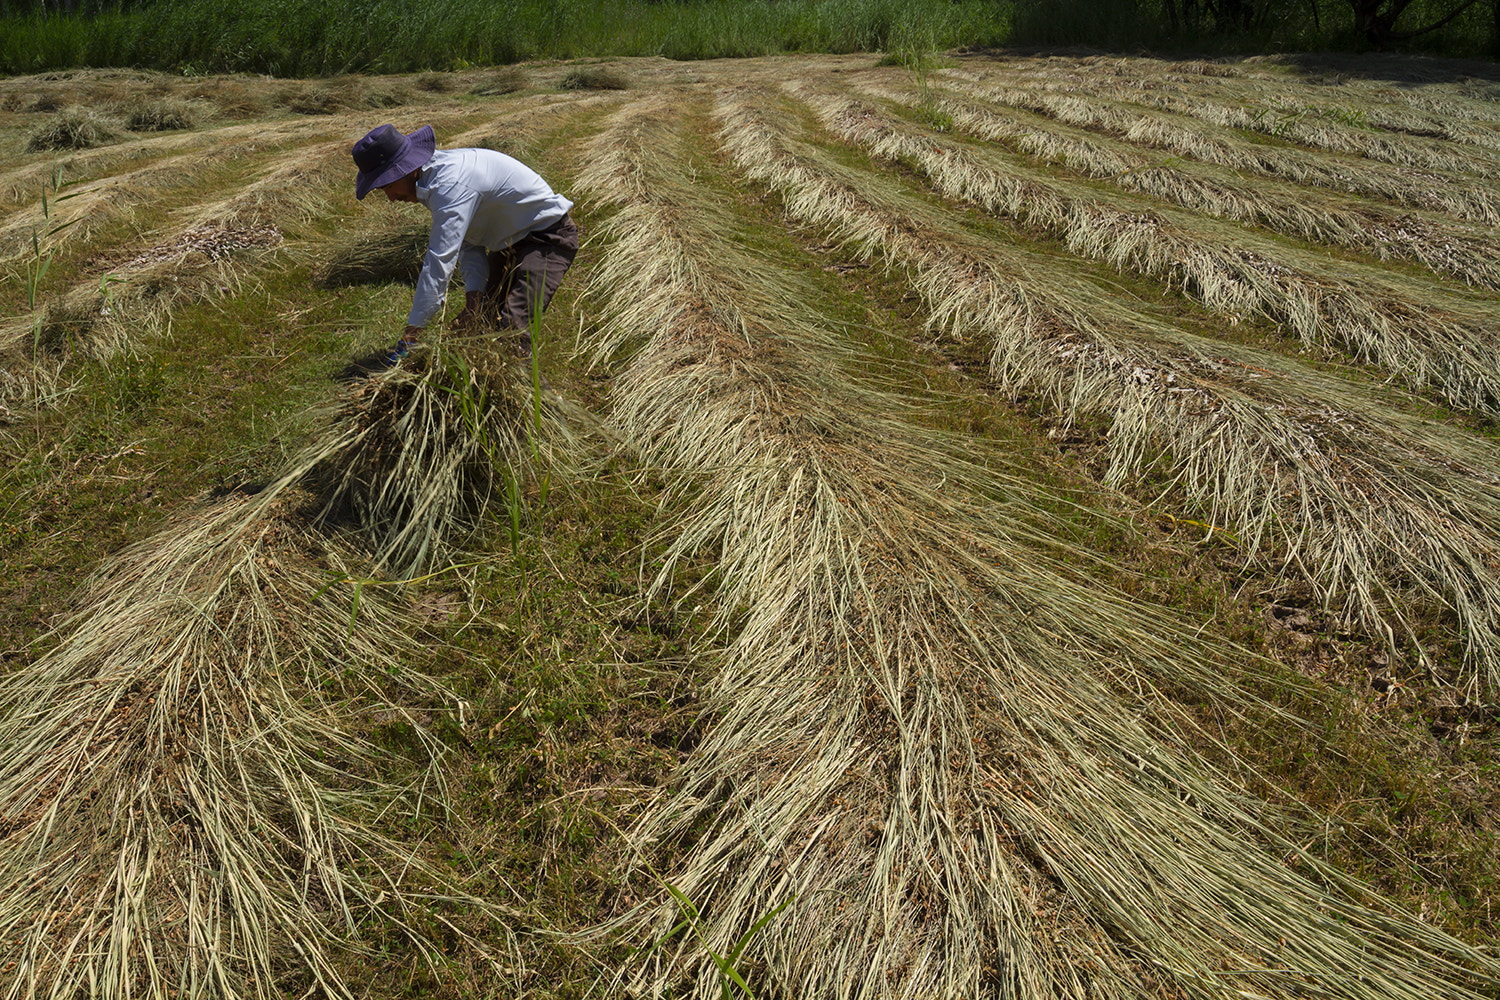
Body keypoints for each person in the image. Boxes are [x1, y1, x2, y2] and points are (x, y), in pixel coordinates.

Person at [350, 123, 578, 365]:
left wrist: (411, 336)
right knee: (480, 324)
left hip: (547, 238)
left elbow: (438, 265)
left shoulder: (451, 185)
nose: (391, 198)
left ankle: (540, 402)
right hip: (510, 243)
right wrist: (473, 302)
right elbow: (469, 243)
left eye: (388, 186)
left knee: (511, 333)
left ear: (407, 170)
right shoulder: (430, 180)